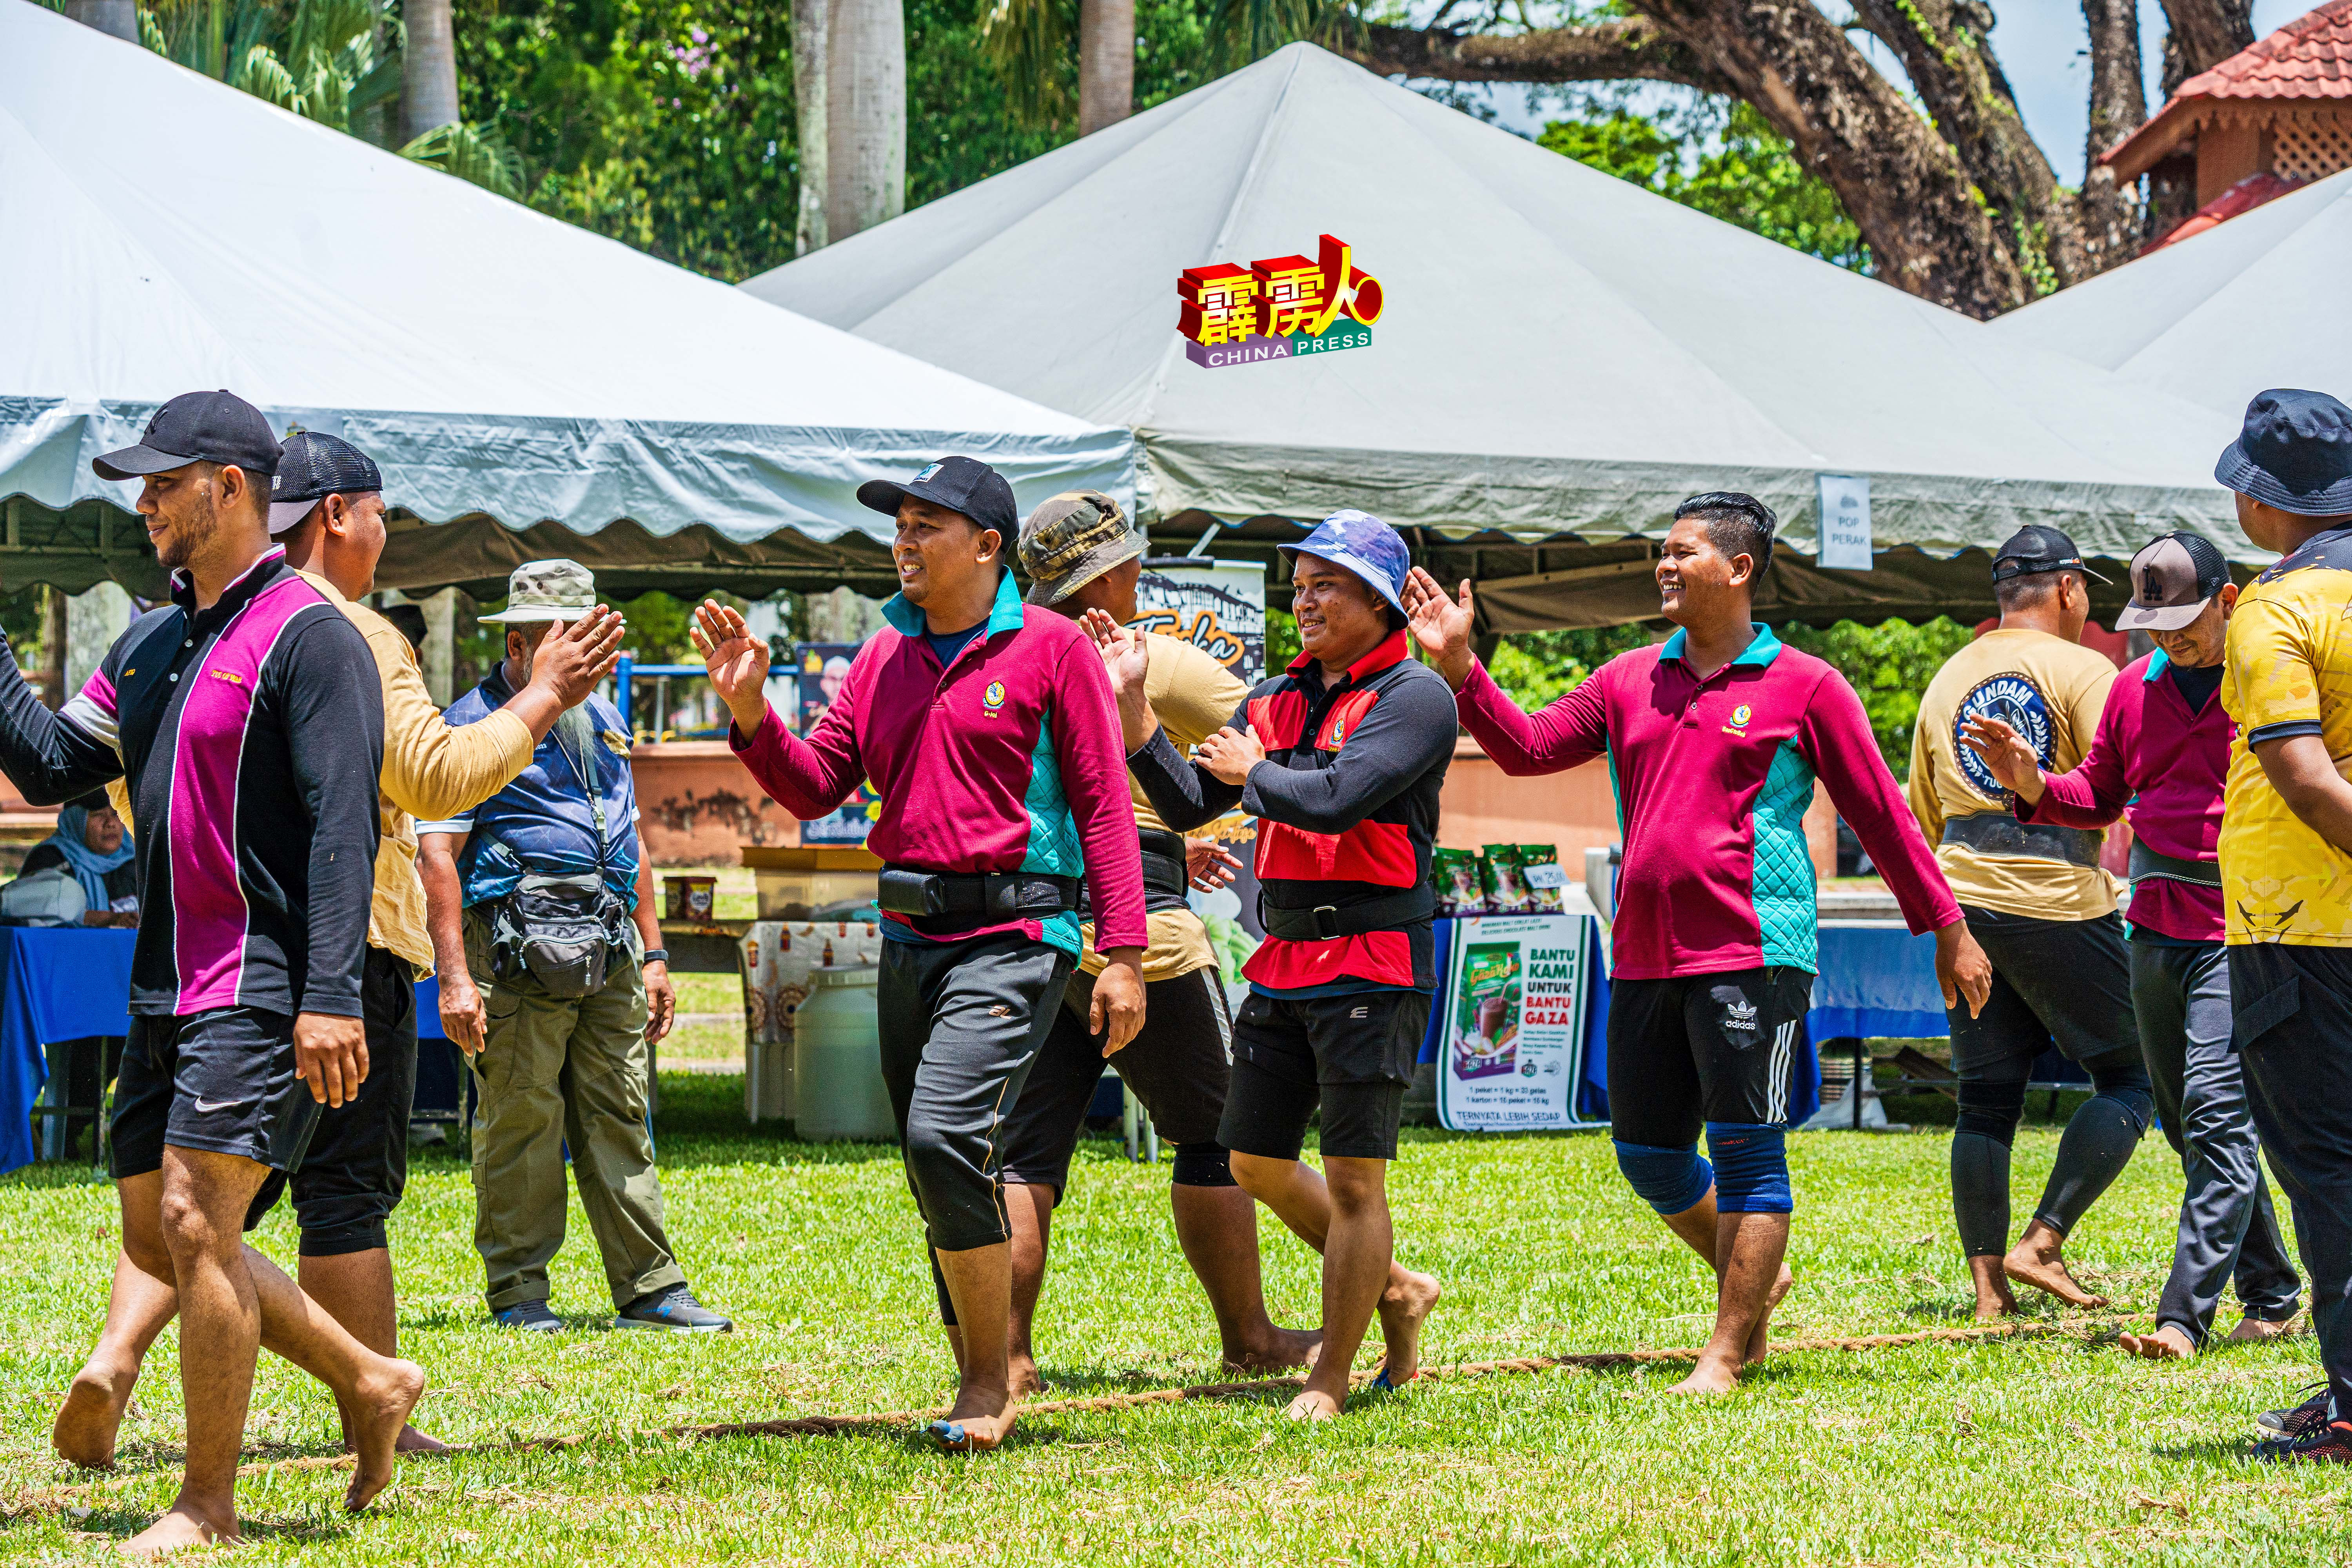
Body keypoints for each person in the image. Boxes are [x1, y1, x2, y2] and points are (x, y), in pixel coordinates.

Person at [49, 434, 626, 1471]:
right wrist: (541, 698)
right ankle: (365, 1393)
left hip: (205, 952)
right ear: (333, 516)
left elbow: (86, 766)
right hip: (323, 956)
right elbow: (430, 778)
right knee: (289, 1198)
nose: (384, 535)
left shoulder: (177, 634)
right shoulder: (339, 632)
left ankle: (133, 1361)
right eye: (378, 514)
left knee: (195, 1201)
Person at [1406, 492, 1987, 1395]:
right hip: (1640, 952)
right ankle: (1756, 1281)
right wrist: (1461, 669)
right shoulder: (1627, 676)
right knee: (1647, 1153)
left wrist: (1947, 929)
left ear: (1741, 567)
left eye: (1681, 552)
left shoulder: (1807, 685)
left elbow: (1881, 814)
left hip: (1757, 953)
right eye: (1658, 553)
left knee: (1750, 1148)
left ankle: (1724, 1349)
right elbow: (1524, 748)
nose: (1663, 567)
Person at [0, 390, 419, 1553]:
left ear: (230, 487)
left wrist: (332, 995)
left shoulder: (312, 635)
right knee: (163, 1239)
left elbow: (345, 828)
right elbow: (49, 769)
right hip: (161, 984)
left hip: (262, 976)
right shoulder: (147, 639)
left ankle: (207, 1501)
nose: (142, 505)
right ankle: (372, 1381)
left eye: (161, 483)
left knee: (197, 1217)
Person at [695, 455, 1148, 1452]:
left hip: (1017, 934)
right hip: (907, 936)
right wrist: (749, 713)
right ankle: (979, 1364)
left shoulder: (1054, 646)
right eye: (898, 526)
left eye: (926, 526)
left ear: (989, 546)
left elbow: (1105, 803)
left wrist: (1122, 952)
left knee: (946, 1137)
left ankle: (990, 1382)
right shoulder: (880, 660)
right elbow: (816, 785)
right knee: (933, 1162)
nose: (903, 541)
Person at [1114, 509, 1450, 1423]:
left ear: (1379, 599)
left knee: (1353, 1180)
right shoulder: (1274, 695)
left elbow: (1338, 801)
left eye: (1325, 584)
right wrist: (1137, 709)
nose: (1303, 599)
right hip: (1287, 958)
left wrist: (1257, 769)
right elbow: (1187, 804)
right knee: (1251, 1158)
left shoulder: (1416, 699)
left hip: (1375, 960)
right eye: (1297, 585)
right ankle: (1395, 1288)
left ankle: (1331, 1376)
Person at [998, 490, 1319, 1391]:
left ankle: (1011, 1358)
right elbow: (1272, 736)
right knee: (1213, 1135)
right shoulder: (1153, 660)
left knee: (1027, 1149)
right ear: (1114, 573)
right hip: (1143, 931)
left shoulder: (1002, 653)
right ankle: (1250, 1335)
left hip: (1031, 922)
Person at [1961, 531, 2299, 1361]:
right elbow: (2099, 795)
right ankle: (2277, 1291)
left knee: (2219, 1114)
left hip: (2241, 920)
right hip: (2152, 919)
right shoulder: (2131, 688)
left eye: (2186, 619)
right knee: (2188, 1121)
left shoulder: (2267, 675)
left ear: (2229, 599)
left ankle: (2183, 1316)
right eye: (2155, 622)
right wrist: (2034, 783)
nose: (2171, 636)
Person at [417, 559, 729, 1336]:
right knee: (522, 1117)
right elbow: (436, 856)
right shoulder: (475, 724)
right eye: (568, 639)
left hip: (610, 946)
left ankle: (652, 1287)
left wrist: (654, 953)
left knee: (620, 1109)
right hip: (517, 950)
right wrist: (454, 977)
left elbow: (632, 840)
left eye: (592, 636)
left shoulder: (603, 716)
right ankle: (520, 1289)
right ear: (519, 645)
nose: (587, 655)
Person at [1908, 524, 2153, 1320]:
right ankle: (2042, 1241)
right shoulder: (2090, 670)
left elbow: (1922, 809)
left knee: (1985, 1099)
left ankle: (1988, 1291)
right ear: (2072, 589)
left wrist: (1951, 916)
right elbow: (2121, 783)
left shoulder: (1948, 678)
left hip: (1964, 903)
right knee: (2135, 1074)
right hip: (2055, 899)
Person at [2203, 390, 2352, 1461]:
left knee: (2324, 1167)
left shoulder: (2277, 609)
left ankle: (2350, 1406)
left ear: (2267, 499)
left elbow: (2302, 777)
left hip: (2303, 929)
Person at [21, 792, 136, 924]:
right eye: (98, 815)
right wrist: (110, 919)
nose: (110, 823)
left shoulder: (133, 861)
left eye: (116, 814)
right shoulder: (50, 858)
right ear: (75, 820)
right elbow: (34, 912)